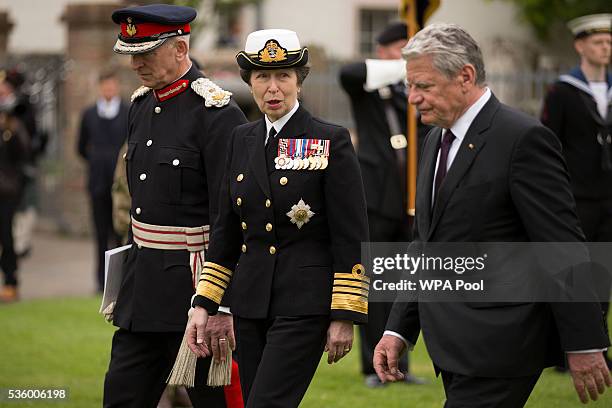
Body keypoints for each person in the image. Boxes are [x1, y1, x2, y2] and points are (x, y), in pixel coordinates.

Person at [373, 23, 611, 407]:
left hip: (503, 344)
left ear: (465, 76)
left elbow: (561, 246)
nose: (413, 98)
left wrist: (585, 342)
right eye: (410, 86)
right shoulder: (436, 138)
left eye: (424, 86)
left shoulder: (523, 139)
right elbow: (426, 243)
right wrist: (398, 330)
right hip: (451, 345)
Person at [185, 29, 370, 407]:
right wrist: (207, 303)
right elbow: (226, 232)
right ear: (249, 83)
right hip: (250, 304)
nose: (273, 88)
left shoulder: (329, 140)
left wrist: (344, 314)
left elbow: (350, 233)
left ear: (299, 82)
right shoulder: (241, 139)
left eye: (283, 76)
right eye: (262, 77)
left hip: (305, 304)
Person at [104, 4, 247, 407]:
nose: (135, 64)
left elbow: (231, 217)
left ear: (180, 50)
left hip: (196, 292)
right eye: (132, 54)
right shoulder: (141, 105)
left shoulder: (218, 114)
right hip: (143, 292)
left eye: (146, 53)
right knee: (120, 397)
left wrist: (222, 303)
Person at [339, 21, 428, 387]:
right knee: (374, 288)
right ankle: (370, 367)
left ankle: (399, 365)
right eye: (400, 51)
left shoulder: (417, 91)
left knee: (404, 285)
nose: (406, 60)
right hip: (376, 199)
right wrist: (405, 64)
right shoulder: (370, 84)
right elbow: (347, 72)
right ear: (384, 52)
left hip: (409, 200)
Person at [541, 13, 612, 369]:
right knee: (572, 273)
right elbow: (548, 142)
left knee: (602, 273)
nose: (606, 48)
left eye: (609, 42)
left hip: (607, 198)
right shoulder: (564, 90)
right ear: (580, 45)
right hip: (574, 196)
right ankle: (564, 349)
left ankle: (598, 347)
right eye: (598, 42)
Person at [77, 70, 128, 292]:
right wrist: (97, 161)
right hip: (97, 182)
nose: (108, 90)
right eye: (105, 86)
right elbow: (80, 147)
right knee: (100, 233)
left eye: (111, 86)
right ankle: (100, 281)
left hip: (120, 185)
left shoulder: (127, 111)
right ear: (100, 87)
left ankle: (118, 281)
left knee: (119, 233)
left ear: (116, 87)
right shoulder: (89, 114)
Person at [0, 95, 29, 303]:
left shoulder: (13, 131)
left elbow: (23, 154)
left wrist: (12, 129)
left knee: (6, 237)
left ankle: (11, 281)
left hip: (7, 192)